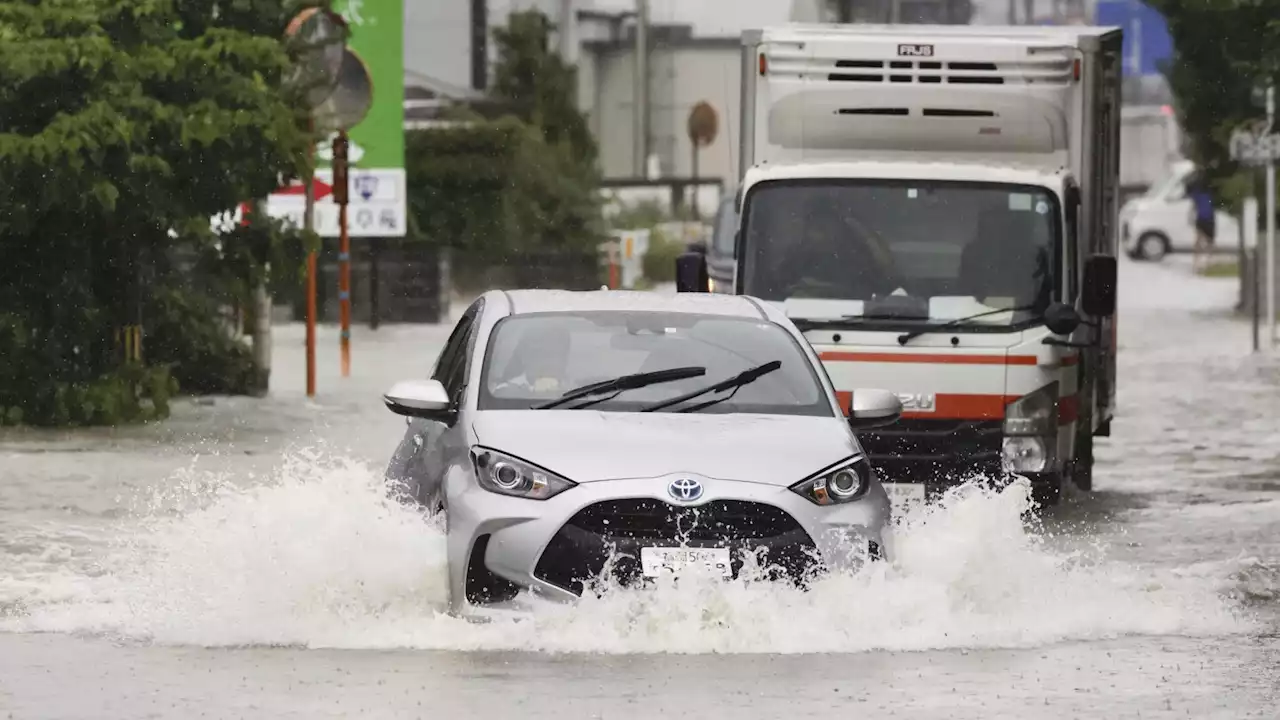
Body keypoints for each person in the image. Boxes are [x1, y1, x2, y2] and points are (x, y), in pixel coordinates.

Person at [492, 326, 571, 395]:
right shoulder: (504, 392)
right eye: (541, 355)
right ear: (525, 358)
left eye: (555, 355)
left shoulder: (577, 391)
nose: (548, 363)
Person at [1188, 176, 1216, 273]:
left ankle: (1197, 263)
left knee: (1199, 241)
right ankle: (1207, 261)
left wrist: (1191, 216)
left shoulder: (1197, 193)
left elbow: (1193, 206)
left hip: (1202, 218)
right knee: (1209, 241)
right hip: (1208, 218)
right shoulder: (1209, 193)